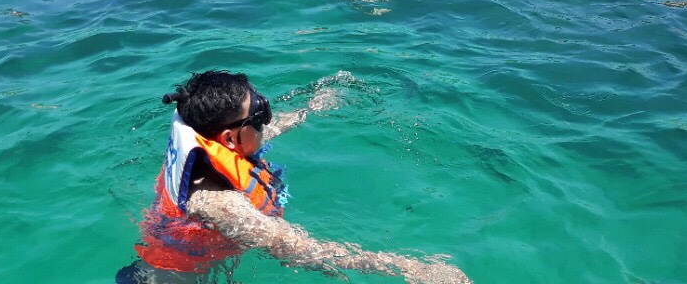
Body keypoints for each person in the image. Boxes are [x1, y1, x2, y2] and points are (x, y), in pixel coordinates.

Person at [121, 70, 469, 284]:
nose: (265, 124)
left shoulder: (210, 141)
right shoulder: (219, 203)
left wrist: (315, 107)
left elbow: (260, 135)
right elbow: (301, 251)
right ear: (228, 138)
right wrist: (409, 269)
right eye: (257, 119)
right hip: (173, 278)